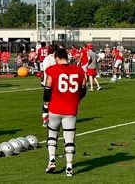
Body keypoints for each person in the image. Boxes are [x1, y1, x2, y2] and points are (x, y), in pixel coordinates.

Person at [43, 48, 87, 177]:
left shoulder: (53, 70)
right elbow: (83, 89)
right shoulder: (79, 71)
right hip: (71, 109)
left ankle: (51, 160)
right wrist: (77, 98)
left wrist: (45, 106)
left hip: (55, 108)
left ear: (57, 58)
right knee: (69, 138)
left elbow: (47, 90)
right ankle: (69, 167)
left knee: (52, 134)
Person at [40, 44, 57, 127]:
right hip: (52, 82)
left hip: (48, 82)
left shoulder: (48, 58)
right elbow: (47, 71)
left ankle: (47, 117)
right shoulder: (51, 58)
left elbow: (44, 71)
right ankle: (47, 118)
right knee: (50, 101)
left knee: (48, 101)